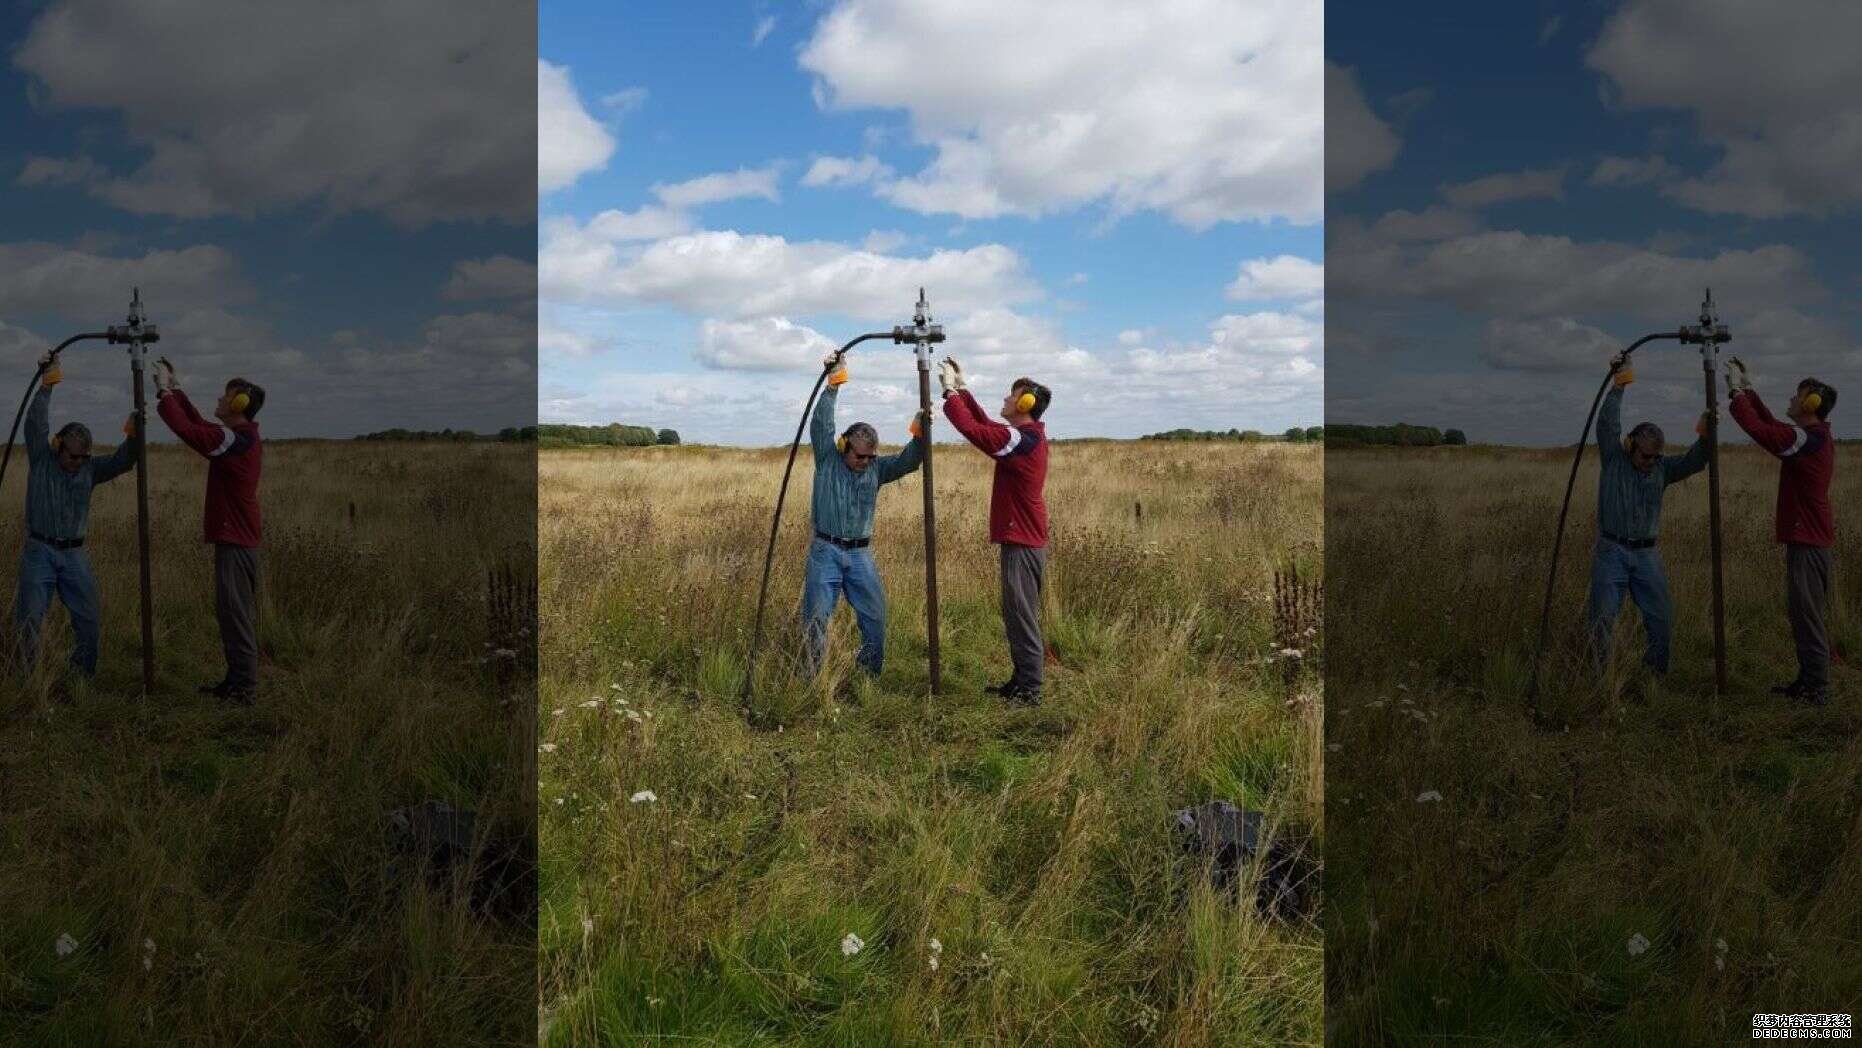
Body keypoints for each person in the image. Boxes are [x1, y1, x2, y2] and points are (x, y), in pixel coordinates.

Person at [12, 352, 139, 680]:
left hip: (74, 555)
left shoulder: (90, 469)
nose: (79, 462)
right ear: (58, 447)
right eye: (73, 456)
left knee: (88, 619)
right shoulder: (42, 459)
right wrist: (47, 384)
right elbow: (34, 423)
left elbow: (123, 461)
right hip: (38, 551)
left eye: (84, 457)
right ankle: (28, 682)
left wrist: (134, 433)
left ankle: (80, 677)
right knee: (29, 620)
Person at [800, 353, 927, 678]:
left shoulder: (877, 469)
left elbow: (908, 462)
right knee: (815, 618)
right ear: (844, 446)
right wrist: (834, 384)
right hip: (825, 552)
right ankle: (812, 680)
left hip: (860, 555)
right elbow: (820, 425)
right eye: (861, 455)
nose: (867, 461)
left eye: (872, 456)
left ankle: (866, 677)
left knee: (874, 618)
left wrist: (920, 432)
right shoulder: (828, 460)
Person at [1586, 355, 1710, 678]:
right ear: (1630, 446)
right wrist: (1620, 384)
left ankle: (1655, 675)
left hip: (1646, 555)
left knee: (1660, 617)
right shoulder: (1614, 460)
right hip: (1610, 551)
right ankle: (1600, 679)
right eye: (1645, 455)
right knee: (1602, 618)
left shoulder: (1662, 469)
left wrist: (1706, 435)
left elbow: (1695, 462)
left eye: (1656, 457)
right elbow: (1606, 424)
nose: (1651, 462)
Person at [937, 359, 1052, 705]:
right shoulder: (1024, 438)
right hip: (1022, 540)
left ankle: (1030, 689)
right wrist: (963, 391)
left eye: (1011, 395)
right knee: (1016, 613)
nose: (1005, 398)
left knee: (1022, 615)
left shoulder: (1024, 440)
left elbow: (976, 432)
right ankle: (1020, 681)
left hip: (1023, 543)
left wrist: (948, 392)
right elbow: (986, 424)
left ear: (1025, 404)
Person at [152, 358, 265, 704]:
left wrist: (162, 391)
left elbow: (191, 432)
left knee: (235, 615)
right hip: (235, 540)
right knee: (230, 613)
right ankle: (235, 682)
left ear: (238, 405)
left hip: (237, 543)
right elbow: (200, 425)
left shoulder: (238, 440)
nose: (219, 399)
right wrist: (176, 391)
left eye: (225, 395)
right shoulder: (236, 438)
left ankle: (243, 689)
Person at [1726, 359, 1838, 707]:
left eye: (1798, 395)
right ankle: (1807, 682)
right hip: (1807, 541)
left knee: (1807, 616)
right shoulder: (1811, 438)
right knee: (1803, 614)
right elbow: (1774, 426)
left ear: (1810, 405)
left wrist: (1734, 393)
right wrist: (1749, 392)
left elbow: (1763, 432)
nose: (1792, 398)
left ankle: (1816, 688)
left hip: (1809, 543)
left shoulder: (1810, 439)